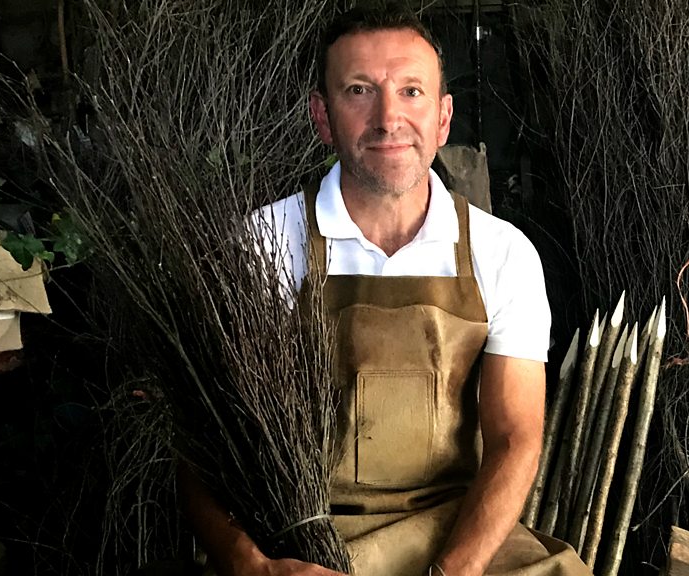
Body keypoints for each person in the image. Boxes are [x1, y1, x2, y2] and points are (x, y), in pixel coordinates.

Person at [181, 5, 592, 576]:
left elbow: (513, 439)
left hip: (456, 531)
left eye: (411, 91)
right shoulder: (262, 244)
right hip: (302, 536)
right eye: (359, 91)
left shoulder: (502, 253)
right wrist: (250, 564)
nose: (388, 117)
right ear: (323, 117)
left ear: (443, 118)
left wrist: (455, 571)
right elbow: (200, 438)